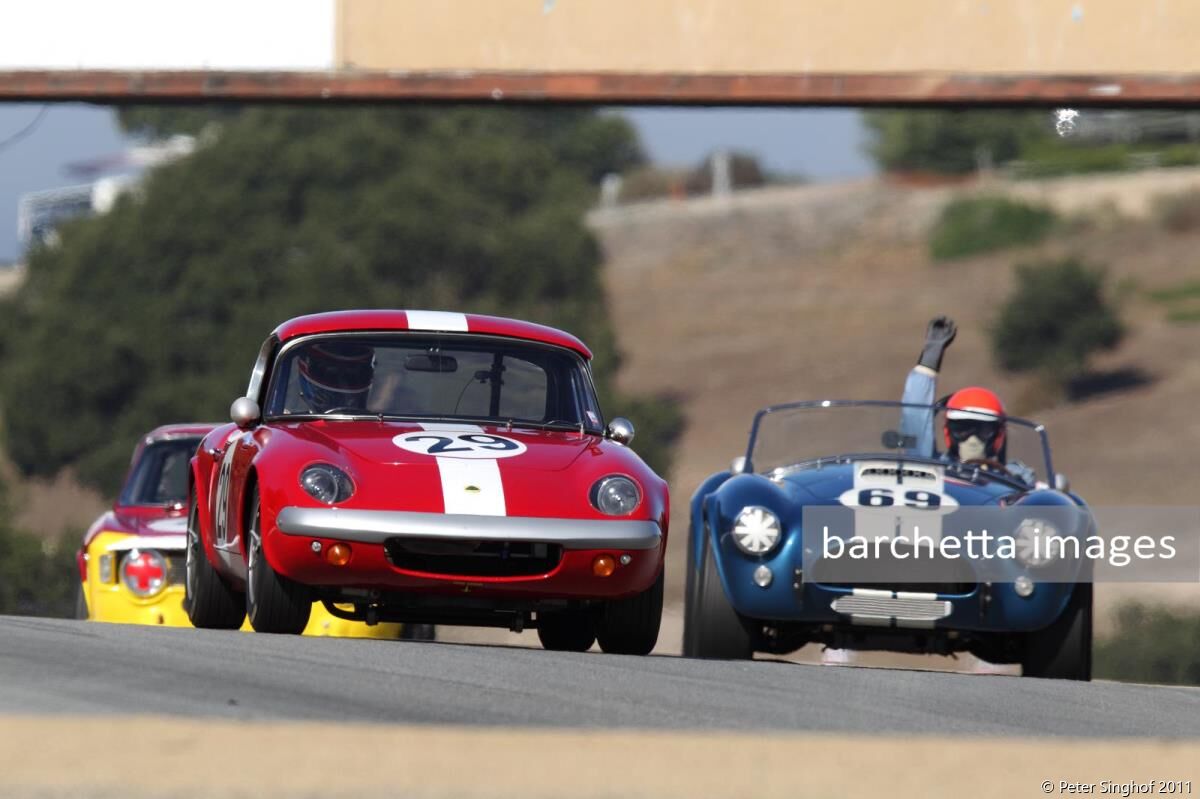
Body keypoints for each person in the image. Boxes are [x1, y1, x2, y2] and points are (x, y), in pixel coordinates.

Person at [898, 317, 1017, 476]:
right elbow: (915, 420)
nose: (972, 440)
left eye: (983, 431)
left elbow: (1035, 488)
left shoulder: (1013, 476)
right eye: (962, 430)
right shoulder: (935, 469)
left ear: (998, 434)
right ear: (949, 431)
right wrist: (931, 354)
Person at [296, 340, 375, 413]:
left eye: (352, 375)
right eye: (331, 373)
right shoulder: (291, 421)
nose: (344, 384)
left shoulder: (379, 420)